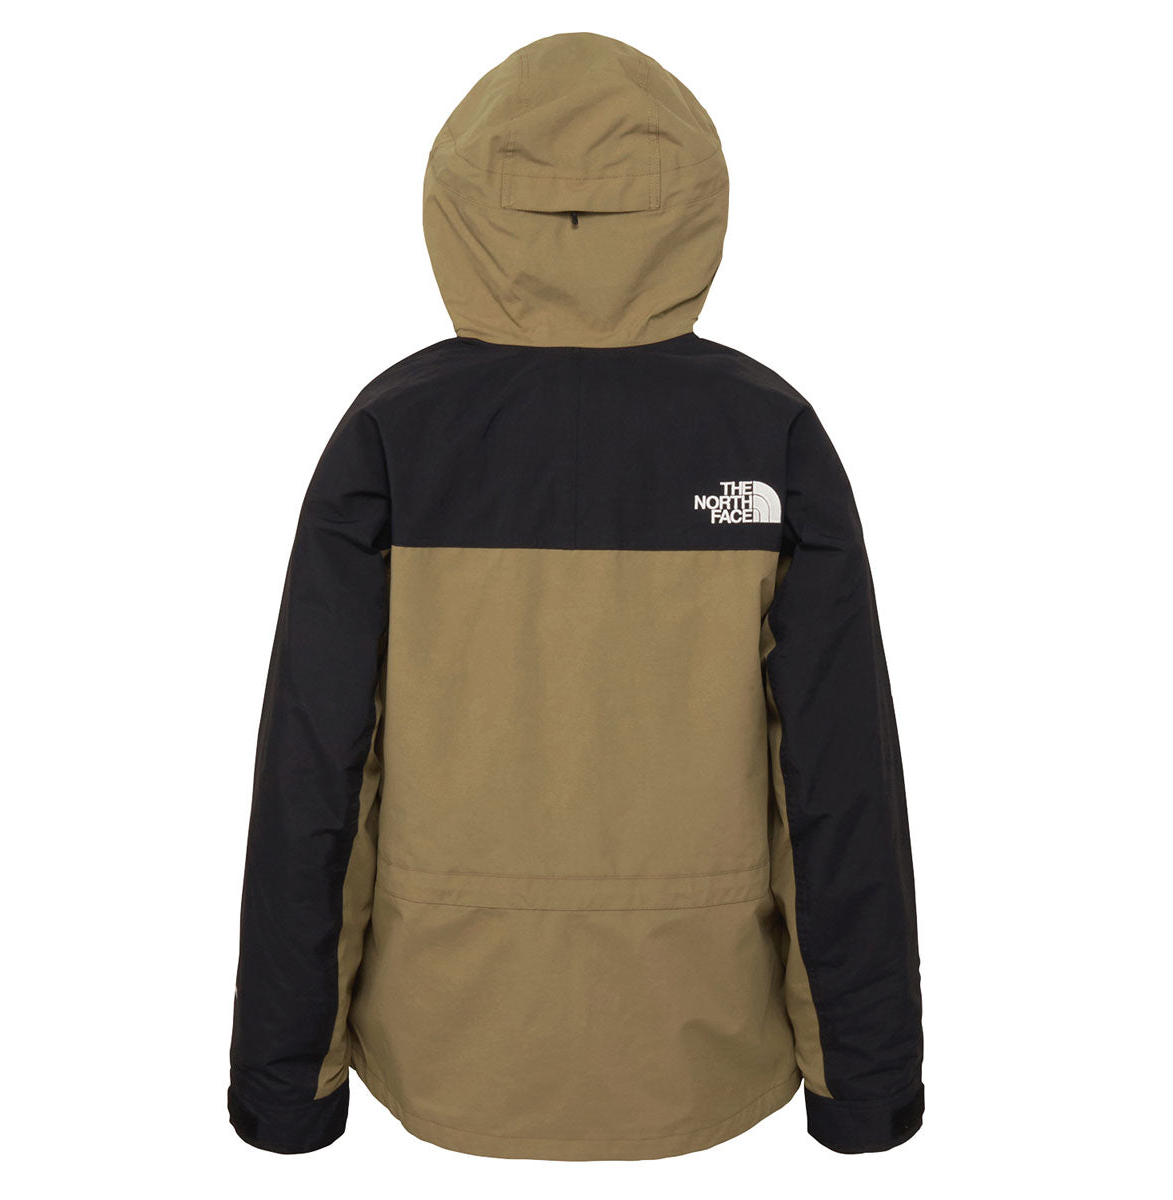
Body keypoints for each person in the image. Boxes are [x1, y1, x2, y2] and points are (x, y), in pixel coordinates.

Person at [228, 29, 924, 1161]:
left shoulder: (392, 434)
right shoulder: (768, 435)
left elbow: (317, 775)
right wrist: (866, 1086)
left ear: (463, 204)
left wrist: (282, 1086)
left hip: (450, 1048)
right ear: (688, 203)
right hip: (700, 1057)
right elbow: (836, 786)